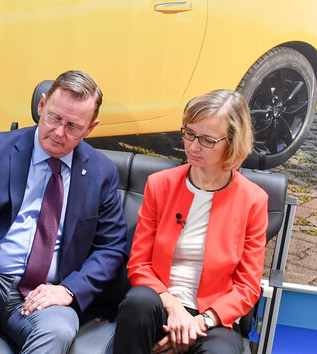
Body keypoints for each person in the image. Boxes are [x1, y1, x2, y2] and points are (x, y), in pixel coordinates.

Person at [0, 70, 128, 354]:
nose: (59, 133)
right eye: (55, 118)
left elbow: (112, 247)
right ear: (41, 105)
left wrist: (69, 290)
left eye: (73, 126)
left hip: (48, 294)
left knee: (57, 331)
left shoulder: (100, 172)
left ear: (90, 128)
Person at [113, 89, 269, 354]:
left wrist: (197, 323)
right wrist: (174, 309)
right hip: (158, 305)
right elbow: (139, 264)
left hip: (212, 318)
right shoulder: (160, 185)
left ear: (232, 142)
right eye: (189, 133)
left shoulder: (253, 200)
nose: (193, 146)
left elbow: (247, 287)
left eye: (207, 140)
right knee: (138, 302)